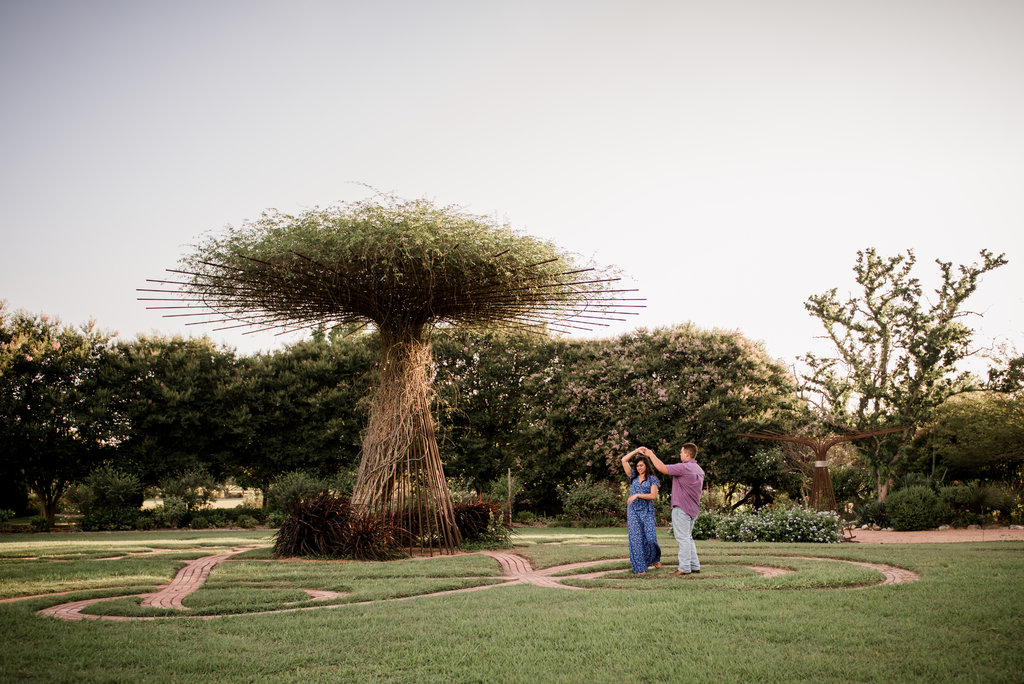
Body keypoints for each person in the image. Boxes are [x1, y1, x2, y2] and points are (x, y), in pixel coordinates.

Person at [641, 443, 704, 576]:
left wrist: (651, 454)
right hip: (693, 509)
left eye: (681, 452)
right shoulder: (699, 469)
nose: (680, 454)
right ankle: (694, 566)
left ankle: (684, 568)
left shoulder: (684, 468)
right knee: (688, 537)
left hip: (682, 508)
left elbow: (662, 468)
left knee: (683, 538)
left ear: (687, 454)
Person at [620, 448, 662, 575]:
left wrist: (637, 494)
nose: (639, 468)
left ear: (646, 466)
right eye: (637, 465)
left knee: (650, 538)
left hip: (647, 511)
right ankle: (640, 568)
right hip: (633, 511)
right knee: (636, 540)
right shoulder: (632, 477)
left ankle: (655, 558)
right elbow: (623, 460)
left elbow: (653, 496)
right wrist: (637, 450)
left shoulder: (652, 479)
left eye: (641, 465)